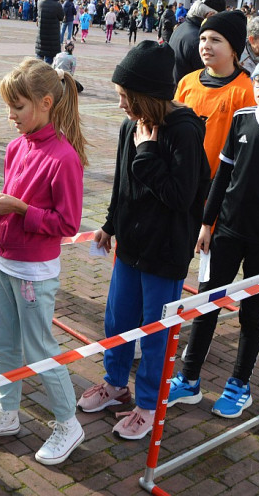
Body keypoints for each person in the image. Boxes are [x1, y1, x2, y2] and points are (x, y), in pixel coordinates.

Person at [168, 51, 259, 418]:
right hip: (228, 231)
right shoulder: (242, 119)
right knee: (207, 301)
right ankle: (188, 379)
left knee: (251, 314)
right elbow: (222, 177)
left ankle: (240, 384)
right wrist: (207, 224)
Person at [77, 40, 209, 440]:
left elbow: (181, 197)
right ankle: (115, 385)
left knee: (155, 333)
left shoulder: (183, 131)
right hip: (130, 247)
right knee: (117, 321)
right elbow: (122, 183)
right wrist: (110, 224)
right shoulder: (130, 126)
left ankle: (150, 405)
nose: (120, 105)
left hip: (165, 252)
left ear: (147, 96)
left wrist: (148, 152)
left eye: (124, 97)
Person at [0, 58, 87, 466]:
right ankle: (6, 413)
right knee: (2, 343)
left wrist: (20, 209)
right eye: (9, 106)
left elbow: (68, 223)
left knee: (40, 349)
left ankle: (68, 422)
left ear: (46, 103)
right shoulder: (19, 146)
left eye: (18, 107)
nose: (11, 115)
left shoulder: (63, 157)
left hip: (34, 272)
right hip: (2, 258)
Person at [174, 11, 255, 176]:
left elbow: (249, 149)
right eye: (202, 39)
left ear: (234, 49)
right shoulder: (187, 82)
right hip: (183, 181)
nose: (206, 46)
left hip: (219, 187)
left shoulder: (248, 90)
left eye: (215, 40)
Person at [169, 0, 226, 83]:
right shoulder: (199, 39)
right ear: (210, 15)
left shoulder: (183, 27)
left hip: (177, 87)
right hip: (188, 91)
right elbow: (206, 76)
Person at [36, 0, 64, 64]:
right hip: (52, 37)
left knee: (38, 61)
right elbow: (61, 17)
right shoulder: (57, 5)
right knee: (48, 62)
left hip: (41, 36)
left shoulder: (40, 3)